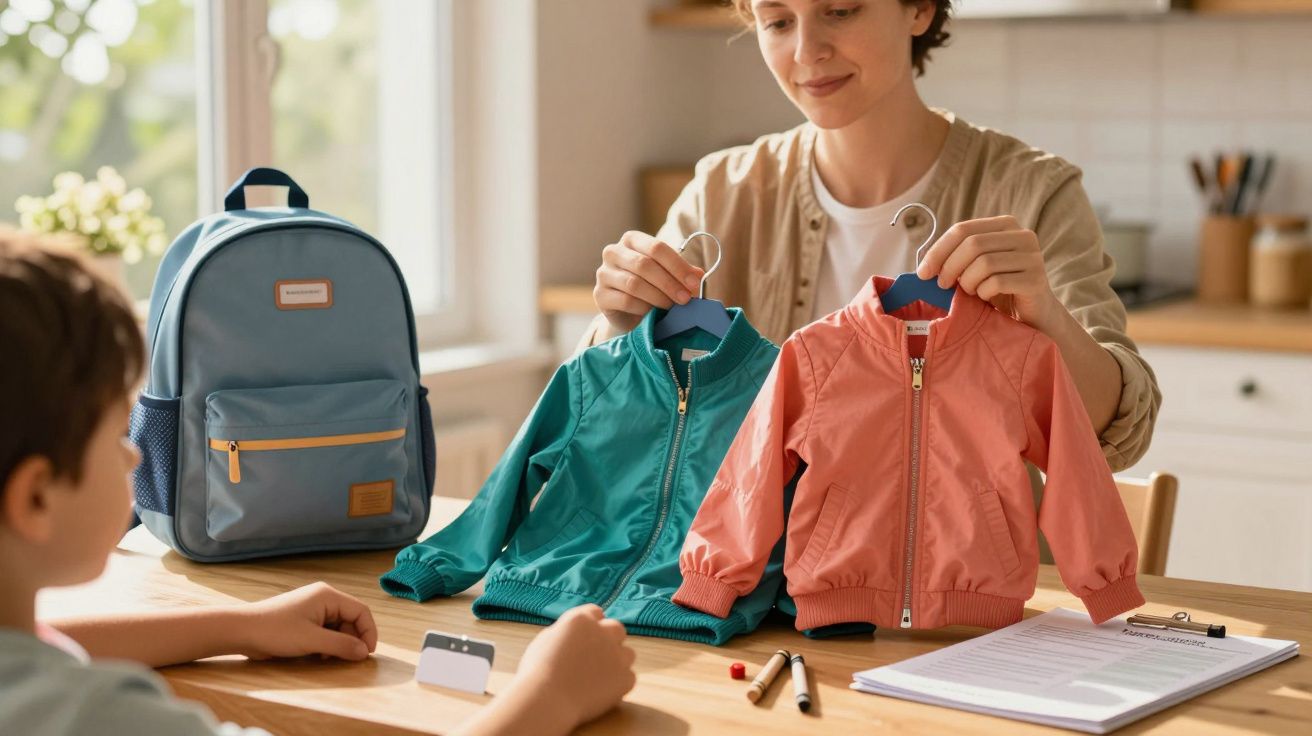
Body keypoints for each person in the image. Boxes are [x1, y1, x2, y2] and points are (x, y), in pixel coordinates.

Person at [0, 230, 636, 736]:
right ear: (34, 497)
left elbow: (51, 643)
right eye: (117, 435)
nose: (137, 457)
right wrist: (550, 696)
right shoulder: (94, 715)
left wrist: (243, 624)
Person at [584, 0, 1159, 470]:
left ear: (919, 9)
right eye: (779, 21)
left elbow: (1117, 434)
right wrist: (619, 322)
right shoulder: (724, 191)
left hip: (965, 597)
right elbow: (609, 427)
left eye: (841, 10)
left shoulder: (1033, 191)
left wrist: (1045, 314)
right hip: (749, 595)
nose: (807, 52)